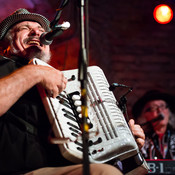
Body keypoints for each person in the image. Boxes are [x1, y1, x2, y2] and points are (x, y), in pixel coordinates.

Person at [0, 8, 145, 175]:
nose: (36, 32)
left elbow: (92, 151)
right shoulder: (4, 67)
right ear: (5, 45)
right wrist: (34, 72)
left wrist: (122, 144)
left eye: (41, 30)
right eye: (24, 28)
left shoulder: (65, 84)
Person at [132, 90, 175, 160]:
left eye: (163, 106)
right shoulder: (141, 140)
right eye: (154, 108)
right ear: (145, 115)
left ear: (169, 112)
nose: (160, 111)